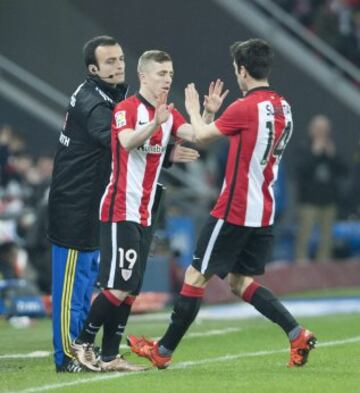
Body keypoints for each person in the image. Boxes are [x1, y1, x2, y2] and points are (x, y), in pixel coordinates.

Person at [127, 38, 317, 369]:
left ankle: (163, 351)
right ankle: (296, 333)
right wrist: (211, 114)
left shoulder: (245, 107)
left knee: (195, 275)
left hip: (235, 208)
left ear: (242, 70)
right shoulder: (283, 105)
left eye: (235, 70)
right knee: (238, 282)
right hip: (264, 209)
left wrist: (194, 109)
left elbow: (200, 136)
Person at [70, 49, 228, 372]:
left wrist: (208, 115)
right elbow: (126, 142)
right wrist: (155, 124)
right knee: (118, 285)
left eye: (170, 74)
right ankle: (83, 343)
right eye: (161, 74)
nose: (167, 79)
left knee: (131, 290)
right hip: (120, 208)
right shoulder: (124, 109)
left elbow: (198, 137)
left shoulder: (169, 114)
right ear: (143, 76)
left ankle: (111, 355)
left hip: (146, 212)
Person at [47, 36, 198, 373]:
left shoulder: (110, 97)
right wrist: (165, 147)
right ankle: (69, 356)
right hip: (74, 203)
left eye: (120, 59)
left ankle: (93, 352)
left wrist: (165, 150)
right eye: (110, 61)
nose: (118, 66)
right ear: (93, 69)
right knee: (71, 288)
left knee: (89, 283)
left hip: (95, 199)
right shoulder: (93, 101)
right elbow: (120, 141)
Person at [294, 114, 347, 264]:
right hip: (308, 201)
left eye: (325, 129)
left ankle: (323, 269)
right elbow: (300, 171)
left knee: (326, 239)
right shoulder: (304, 147)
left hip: (328, 201)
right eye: (319, 129)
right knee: (305, 236)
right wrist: (315, 154)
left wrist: (333, 156)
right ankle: (301, 267)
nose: (322, 133)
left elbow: (344, 171)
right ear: (311, 130)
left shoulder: (332, 148)